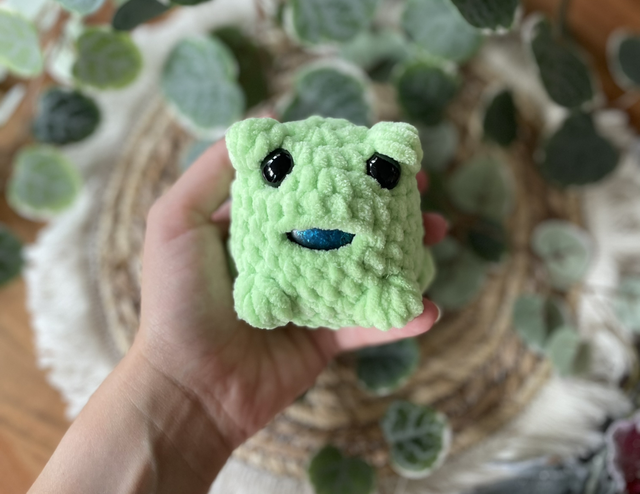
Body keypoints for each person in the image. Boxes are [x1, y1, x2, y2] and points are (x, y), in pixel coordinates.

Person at [29, 138, 444, 494]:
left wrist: (173, 386)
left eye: (384, 169)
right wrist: (172, 380)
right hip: (273, 289)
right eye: (275, 167)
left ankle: (376, 284)